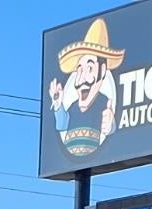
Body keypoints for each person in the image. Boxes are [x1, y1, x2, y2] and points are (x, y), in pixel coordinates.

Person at [51, 18, 125, 158]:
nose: (82, 78)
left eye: (89, 68)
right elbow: (61, 125)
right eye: (79, 70)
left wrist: (111, 127)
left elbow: (110, 129)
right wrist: (57, 104)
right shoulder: (72, 107)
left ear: (102, 71)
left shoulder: (104, 105)